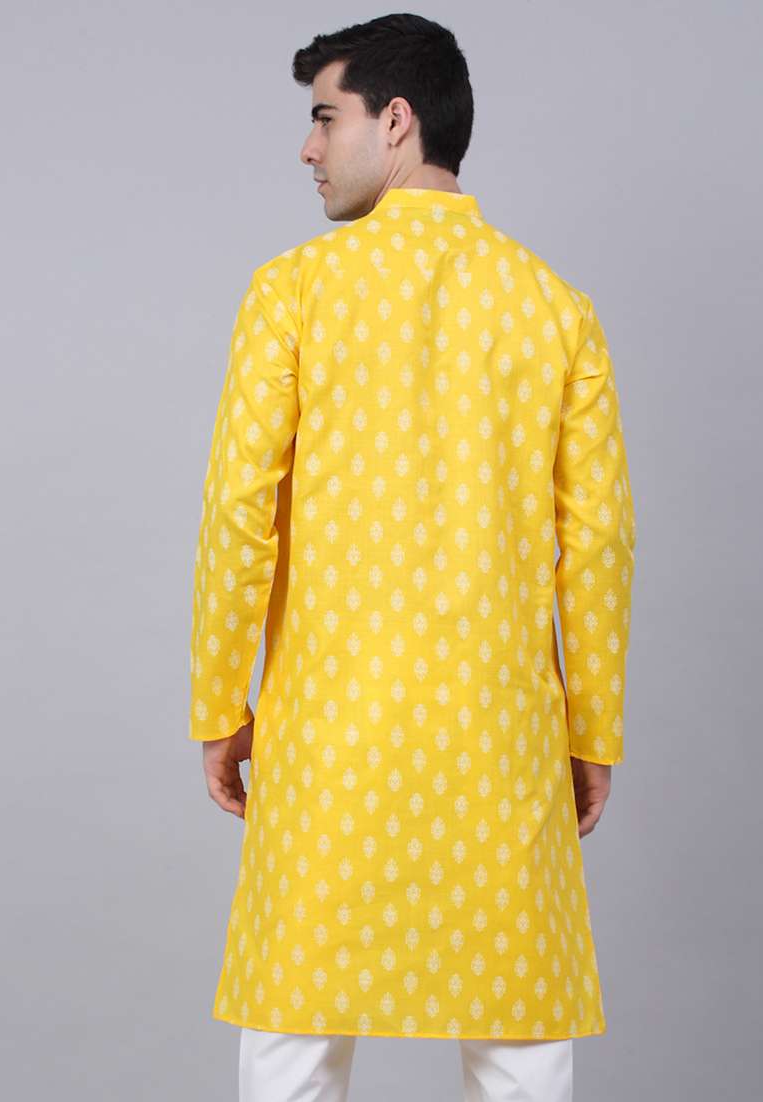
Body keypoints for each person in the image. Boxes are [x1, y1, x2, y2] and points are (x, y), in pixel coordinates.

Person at [188, 13, 636, 1101]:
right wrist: (591, 729)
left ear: (395, 120)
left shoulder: (293, 292)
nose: (307, 147)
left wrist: (220, 702)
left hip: (327, 735)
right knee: (519, 1033)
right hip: (501, 738)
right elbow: (597, 542)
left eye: (323, 117)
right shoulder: (553, 308)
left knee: (295, 1032)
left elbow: (239, 514)